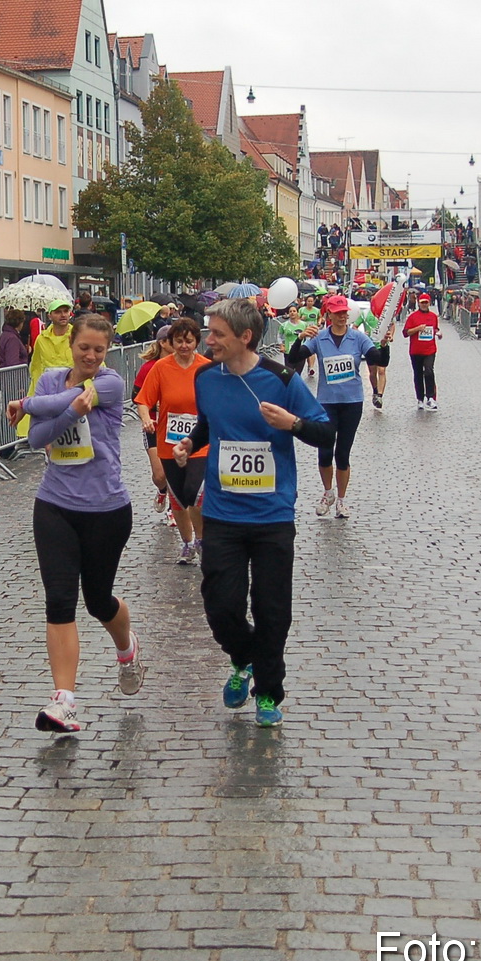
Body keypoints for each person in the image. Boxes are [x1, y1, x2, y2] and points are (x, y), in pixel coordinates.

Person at [173, 298, 332, 728]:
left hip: (272, 516)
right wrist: (191, 443)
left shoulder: (281, 380)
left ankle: (268, 691)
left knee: (272, 607)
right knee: (220, 605)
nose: (209, 340)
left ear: (245, 337)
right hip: (223, 512)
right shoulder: (207, 377)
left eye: (217, 334)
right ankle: (243, 659)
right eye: (209, 332)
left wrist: (292, 425)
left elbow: (324, 431)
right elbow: (209, 422)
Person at [8, 313, 142, 733]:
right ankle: (64, 701)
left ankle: (127, 647)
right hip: (55, 504)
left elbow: (43, 410)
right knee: (60, 600)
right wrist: (67, 412)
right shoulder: (50, 379)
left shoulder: (110, 384)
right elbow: (35, 438)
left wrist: (25, 404)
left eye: (99, 350)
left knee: (98, 600)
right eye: (84, 347)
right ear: (72, 346)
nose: (90, 355)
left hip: (106, 508)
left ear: (107, 353)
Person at [135, 317, 209, 563]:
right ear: (170, 342)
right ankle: (187, 543)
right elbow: (144, 400)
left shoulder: (207, 368)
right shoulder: (161, 367)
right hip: (169, 443)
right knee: (177, 497)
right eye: (179, 341)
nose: (184, 346)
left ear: (197, 341)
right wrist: (146, 419)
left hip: (200, 443)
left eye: (189, 341)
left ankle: (201, 538)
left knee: (195, 492)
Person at [295, 294, 371, 518]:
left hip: (351, 402)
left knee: (343, 453)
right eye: (337, 313)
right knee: (324, 452)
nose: (342, 317)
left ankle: (341, 500)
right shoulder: (319, 338)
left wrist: (383, 345)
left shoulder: (357, 338)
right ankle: (328, 492)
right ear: (328, 315)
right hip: (326, 402)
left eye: (344, 313)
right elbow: (295, 358)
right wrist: (300, 338)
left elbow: (378, 357)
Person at [132, 327, 176, 526]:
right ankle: (162, 490)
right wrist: (151, 407)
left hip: (175, 426)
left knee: (175, 470)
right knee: (160, 475)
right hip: (153, 425)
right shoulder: (149, 368)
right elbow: (136, 396)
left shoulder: (183, 366)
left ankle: (173, 509)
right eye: (173, 340)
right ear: (163, 343)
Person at [20, 299, 76, 438]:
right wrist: (35, 393)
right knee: (51, 434)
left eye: (65, 311)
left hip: (73, 392)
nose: (63, 315)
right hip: (50, 395)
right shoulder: (41, 339)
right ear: (49, 315)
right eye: (58, 312)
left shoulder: (78, 335)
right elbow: (36, 367)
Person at [404, 293, 440, 410]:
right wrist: (417, 329)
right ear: (419, 303)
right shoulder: (412, 317)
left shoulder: (433, 316)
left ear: (429, 303)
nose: (424, 305)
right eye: (422, 302)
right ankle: (420, 398)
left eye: (426, 302)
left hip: (430, 349)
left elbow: (435, 329)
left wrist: (438, 333)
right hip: (416, 350)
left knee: (429, 371)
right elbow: (405, 333)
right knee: (418, 374)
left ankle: (431, 397)